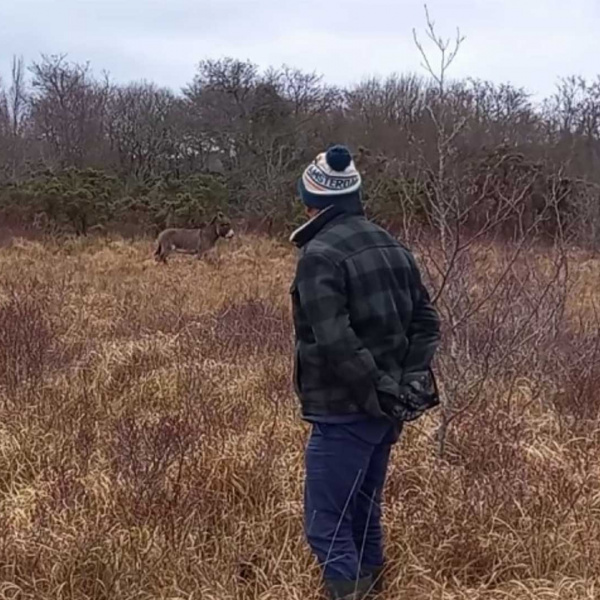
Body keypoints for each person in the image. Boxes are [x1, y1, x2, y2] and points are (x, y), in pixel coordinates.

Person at [290, 145, 441, 599]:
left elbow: (336, 342)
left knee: (327, 525)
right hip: (385, 411)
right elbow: (426, 321)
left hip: (345, 411)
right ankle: (377, 591)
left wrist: (379, 390)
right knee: (362, 512)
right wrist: (407, 385)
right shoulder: (393, 246)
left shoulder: (319, 255)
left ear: (312, 201)